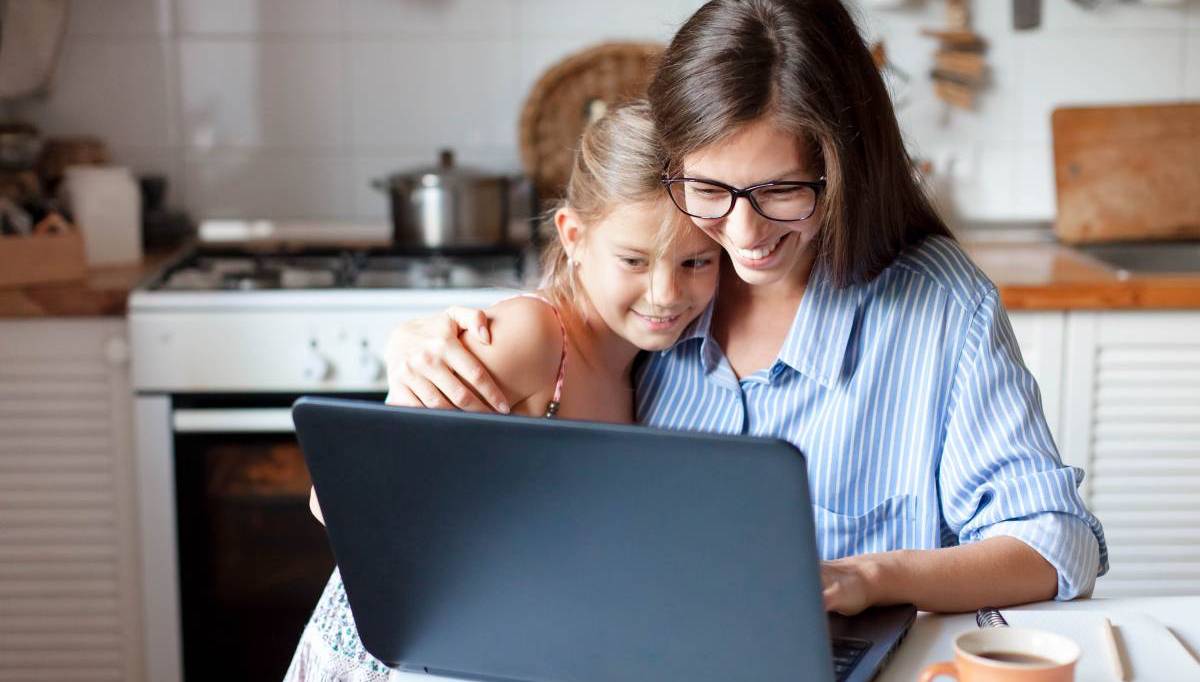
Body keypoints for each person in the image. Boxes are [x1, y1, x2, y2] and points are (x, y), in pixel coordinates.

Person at [382, 0, 1107, 617]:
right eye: (711, 191)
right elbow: (556, 337)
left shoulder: (939, 308)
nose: (743, 235)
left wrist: (873, 575)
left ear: (844, 169)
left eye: (783, 191)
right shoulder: (671, 288)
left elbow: (1054, 539)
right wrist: (415, 351)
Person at [285, 101, 722, 680]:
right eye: (634, 260)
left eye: (695, 261)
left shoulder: (642, 367)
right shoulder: (535, 337)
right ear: (574, 236)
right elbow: (339, 499)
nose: (666, 293)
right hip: (399, 656)